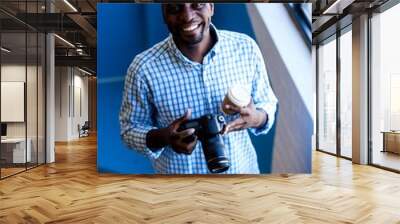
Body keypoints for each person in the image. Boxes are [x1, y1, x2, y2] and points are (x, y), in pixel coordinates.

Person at [120, 3, 278, 174]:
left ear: (211, 6)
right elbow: (129, 130)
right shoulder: (143, 68)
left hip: (244, 176)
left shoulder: (245, 48)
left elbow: (267, 101)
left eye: (197, 4)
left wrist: (256, 118)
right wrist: (166, 136)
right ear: (164, 14)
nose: (187, 16)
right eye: (175, 8)